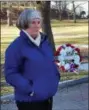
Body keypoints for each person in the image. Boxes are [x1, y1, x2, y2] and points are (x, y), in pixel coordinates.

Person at [4, 9, 60, 110]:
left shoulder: (44, 43)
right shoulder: (16, 47)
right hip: (29, 101)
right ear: (24, 23)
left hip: (47, 97)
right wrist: (31, 89)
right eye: (33, 22)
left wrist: (56, 74)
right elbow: (11, 74)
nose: (37, 25)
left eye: (38, 22)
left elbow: (48, 62)